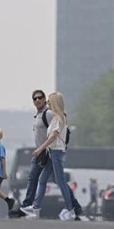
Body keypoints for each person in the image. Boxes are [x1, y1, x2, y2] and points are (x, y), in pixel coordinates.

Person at [15, 90, 82, 219]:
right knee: (42, 179)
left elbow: (53, 136)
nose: (47, 104)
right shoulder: (55, 117)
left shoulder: (58, 118)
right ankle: (35, 209)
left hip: (56, 153)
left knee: (60, 181)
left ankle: (70, 209)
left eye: (49, 102)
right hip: (52, 153)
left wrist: (40, 149)